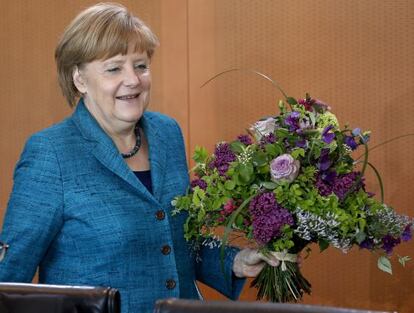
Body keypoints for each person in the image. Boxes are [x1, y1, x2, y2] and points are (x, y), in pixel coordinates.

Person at [0, 3, 281, 313]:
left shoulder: (166, 132)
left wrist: (235, 261)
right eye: (114, 68)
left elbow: (174, 238)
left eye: (141, 65)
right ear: (79, 79)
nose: (133, 80)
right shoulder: (50, 153)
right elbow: (10, 278)